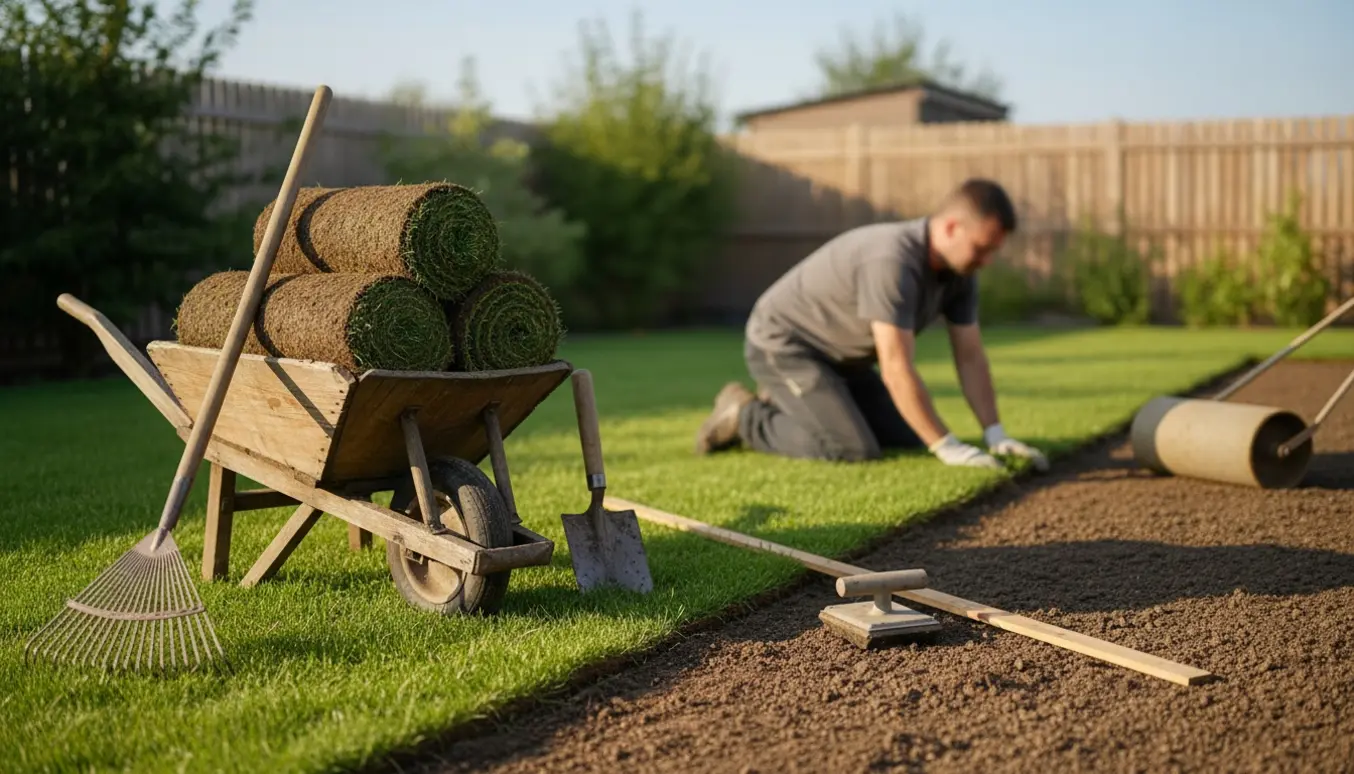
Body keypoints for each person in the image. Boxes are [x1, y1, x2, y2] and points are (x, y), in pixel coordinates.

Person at [694, 177, 1049, 472]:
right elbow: (896, 367)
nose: (986, 261)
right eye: (980, 248)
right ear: (952, 227)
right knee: (851, 448)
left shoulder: (961, 272)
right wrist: (947, 447)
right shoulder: (892, 261)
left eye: (992, 252)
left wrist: (995, 435)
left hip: (844, 358)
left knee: (908, 436)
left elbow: (970, 355)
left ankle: (800, 399)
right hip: (784, 344)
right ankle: (745, 417)